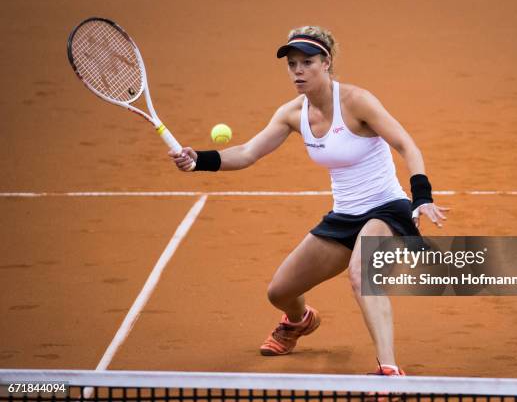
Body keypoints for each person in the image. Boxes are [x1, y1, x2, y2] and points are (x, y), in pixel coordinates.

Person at [170, 26, 449, 376]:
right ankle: (299, 321)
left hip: (386, 209)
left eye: (306, 62)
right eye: (292, 64)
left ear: (326, 62)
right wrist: (200, 160)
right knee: (280, 291)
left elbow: (408, 145)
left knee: (362, 273)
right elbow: (247, 152)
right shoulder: (292, 114)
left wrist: (421, 198)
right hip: (344, 216)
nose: (298, 71)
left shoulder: (357, 101)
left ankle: (389, 371)